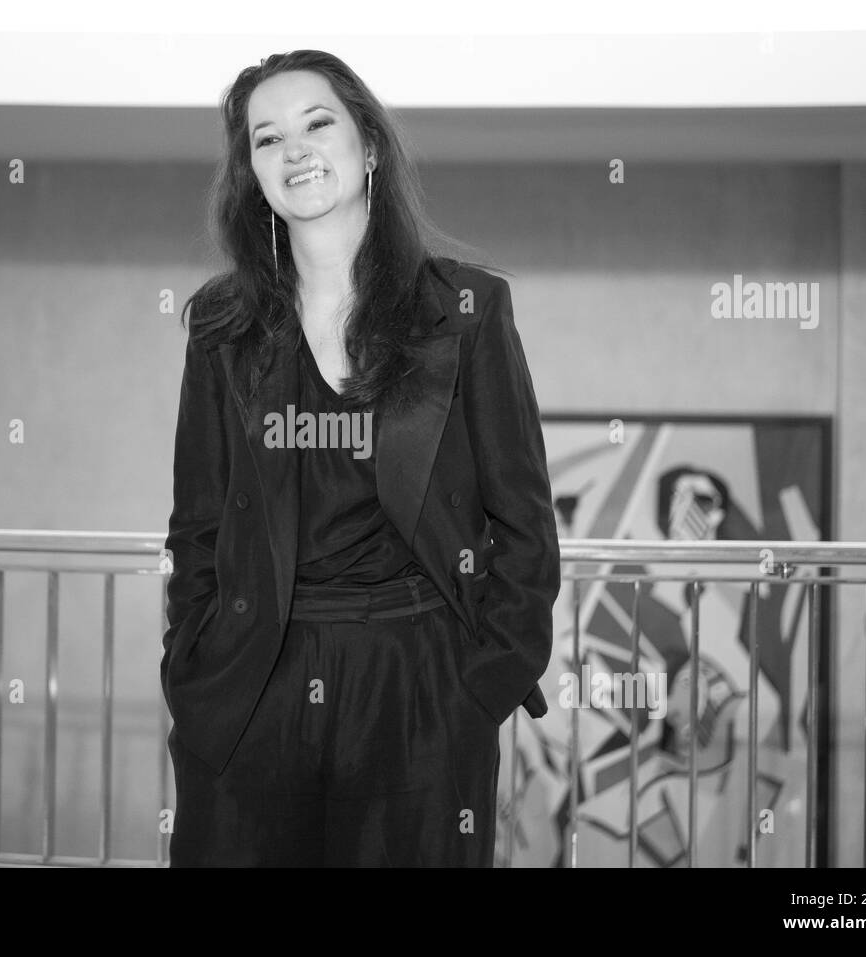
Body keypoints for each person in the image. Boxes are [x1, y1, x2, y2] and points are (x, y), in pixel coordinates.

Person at [160, 50, 560, 866]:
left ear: (368, 145)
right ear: (252, 175)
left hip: (419, 679)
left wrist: (479, 686)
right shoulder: (220, 326)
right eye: (266, 140)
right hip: (253, 677)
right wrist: (191, 670)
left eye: (317, 124)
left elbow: (524, 520)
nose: (294, 150)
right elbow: (198, 521)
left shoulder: (468, 311)